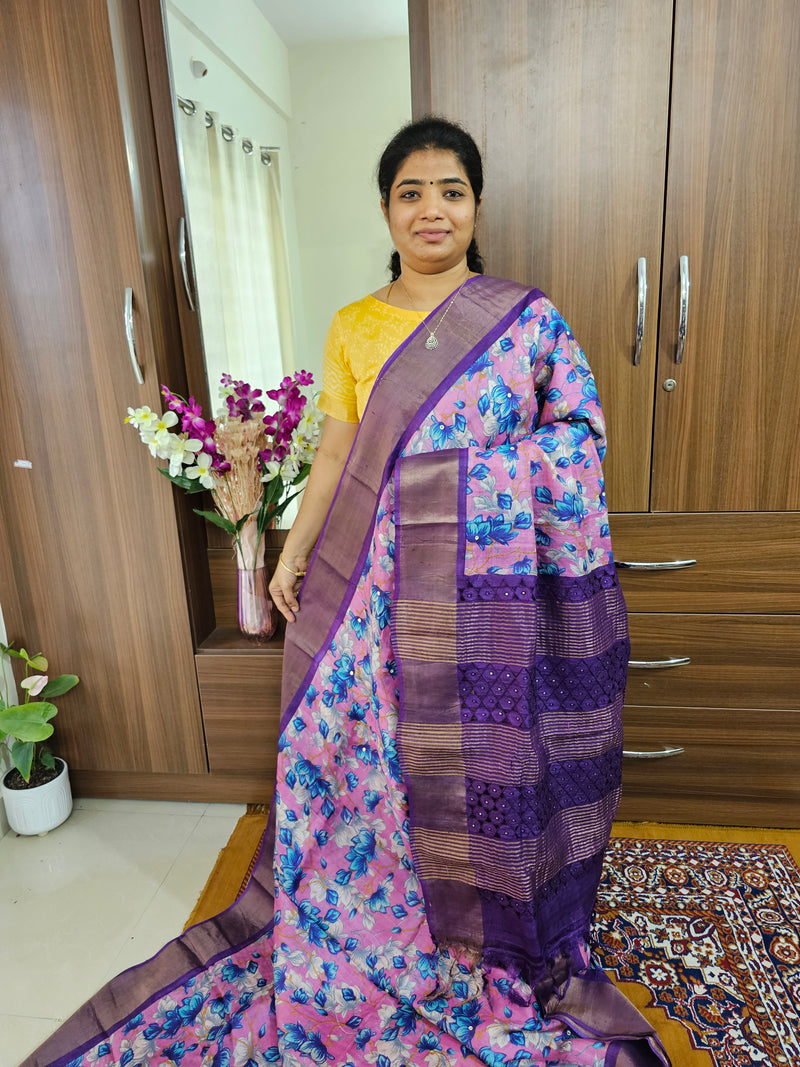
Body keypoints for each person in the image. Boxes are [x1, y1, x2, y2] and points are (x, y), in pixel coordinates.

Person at [24, 118, 668, 1067]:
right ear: (386, 210)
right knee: (369, 756)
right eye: (410, 191)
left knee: (478, 759)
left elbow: (579, 441)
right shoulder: (355, 325)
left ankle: (477, 925)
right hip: (376, 590)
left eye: (450, 189)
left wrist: (462, 485)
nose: (431, 208)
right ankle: (386, 915)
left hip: (483, 609)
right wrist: (289, 554)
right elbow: (334, 455)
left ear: (474, 205)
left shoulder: (528, 321)